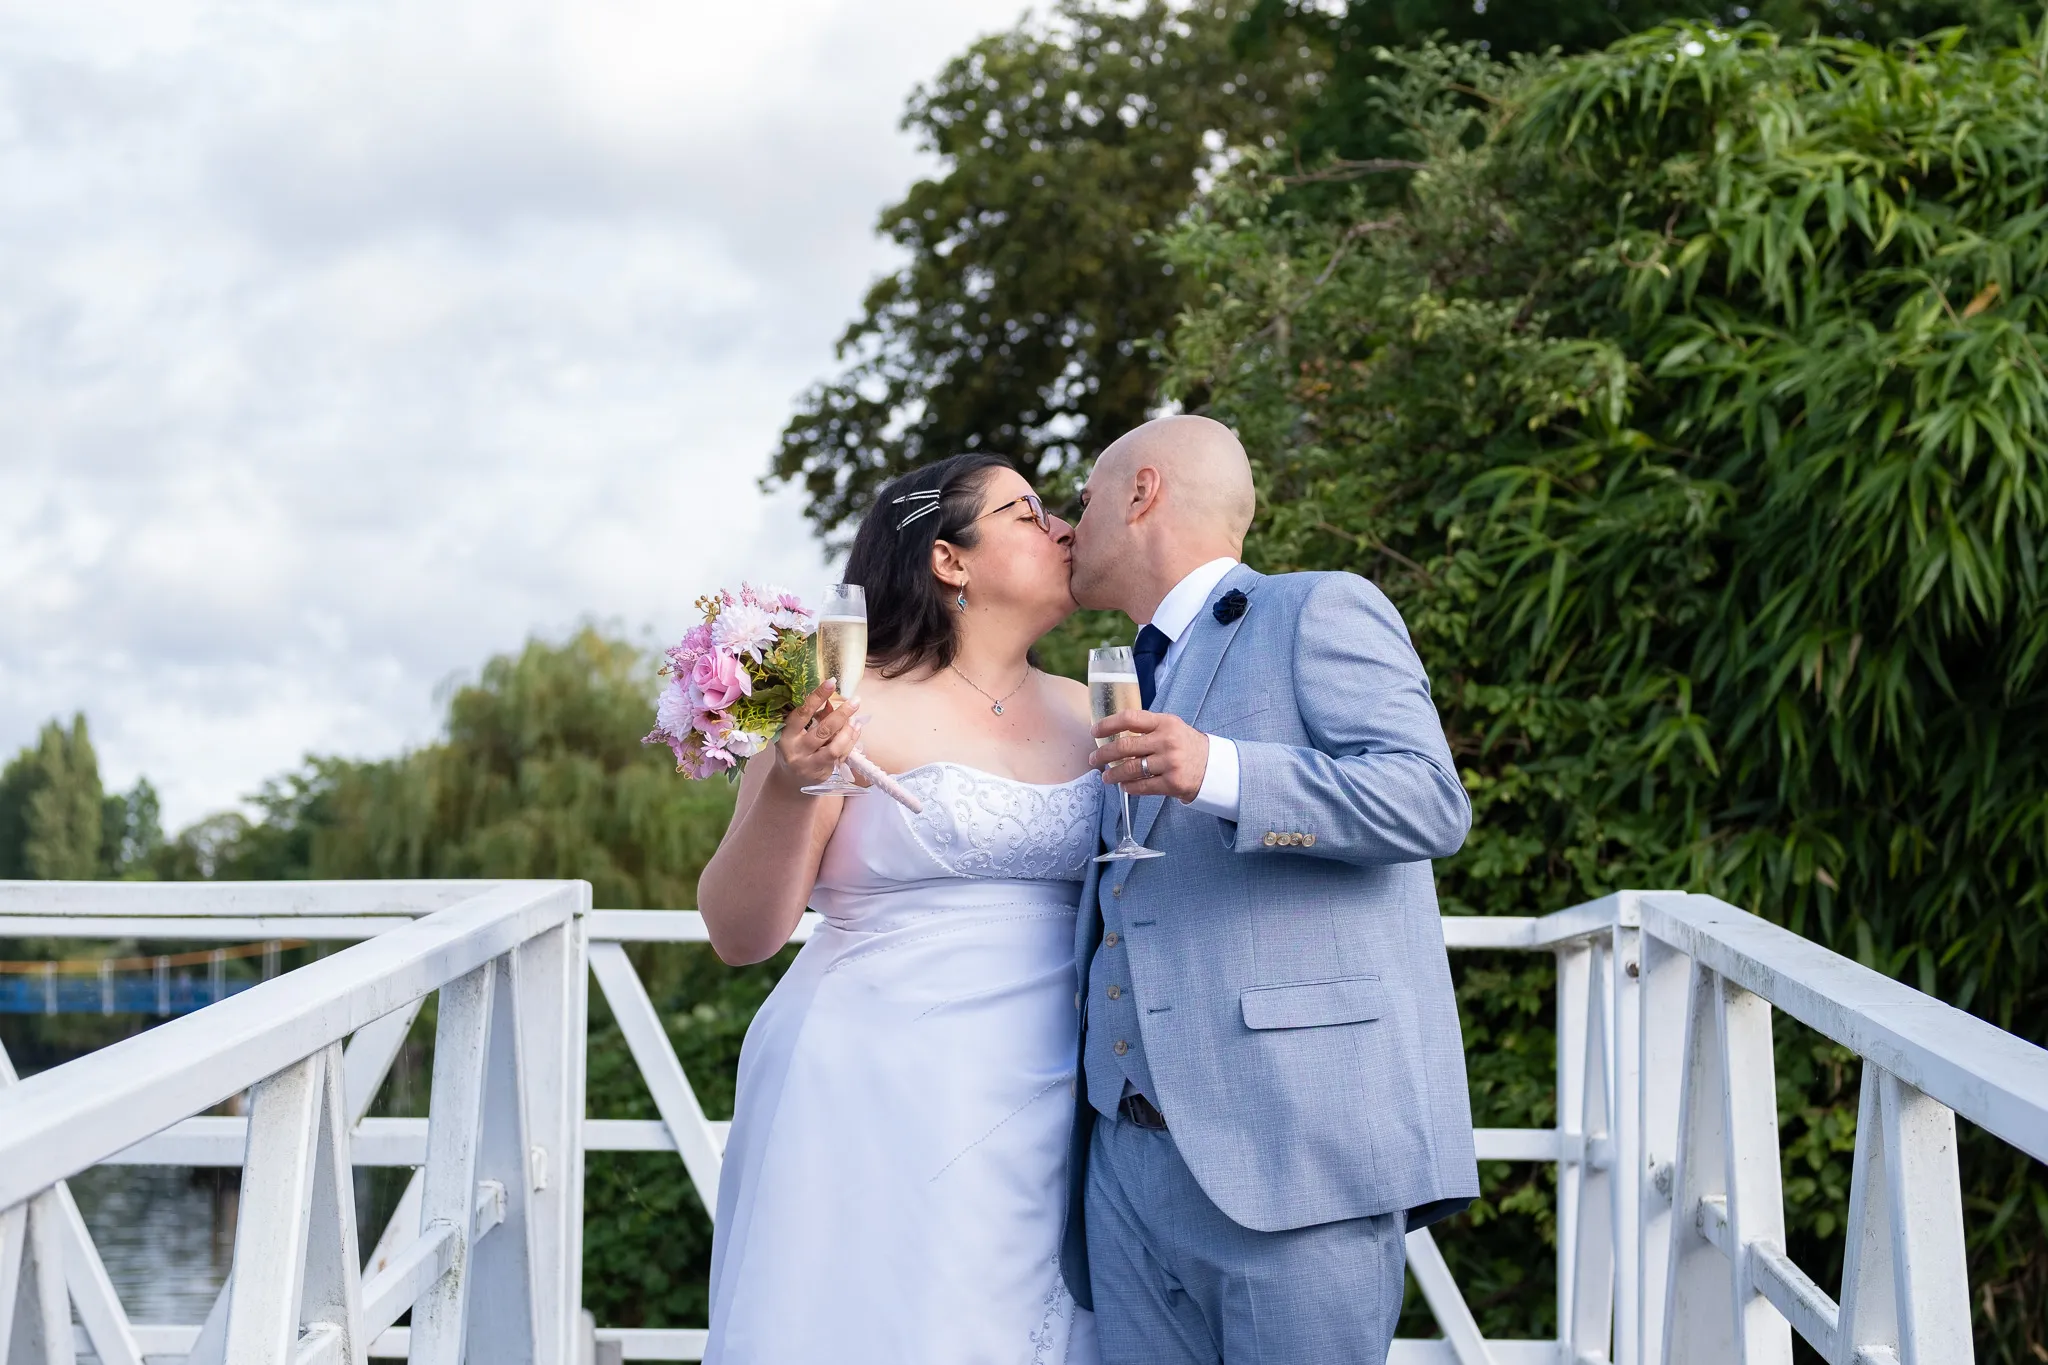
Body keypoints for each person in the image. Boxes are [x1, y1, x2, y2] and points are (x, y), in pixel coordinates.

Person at [1059, 415, 1477, 1364]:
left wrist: (1222, 770)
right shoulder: (1118, 670)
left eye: (1086, 496)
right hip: (1123, 1167)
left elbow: (1428, 802)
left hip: (1295, 1152)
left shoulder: (1320, 608)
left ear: (1143, 492)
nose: (1070, 522)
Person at [698, 453, 1102, 1363]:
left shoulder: (1098, 709)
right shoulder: (840, 700)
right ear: (948, 559)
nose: (1065, 527)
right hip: (872, 1086)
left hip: (1060, 1092)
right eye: (1028, 514)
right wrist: (787, 788)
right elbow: (738, 933)